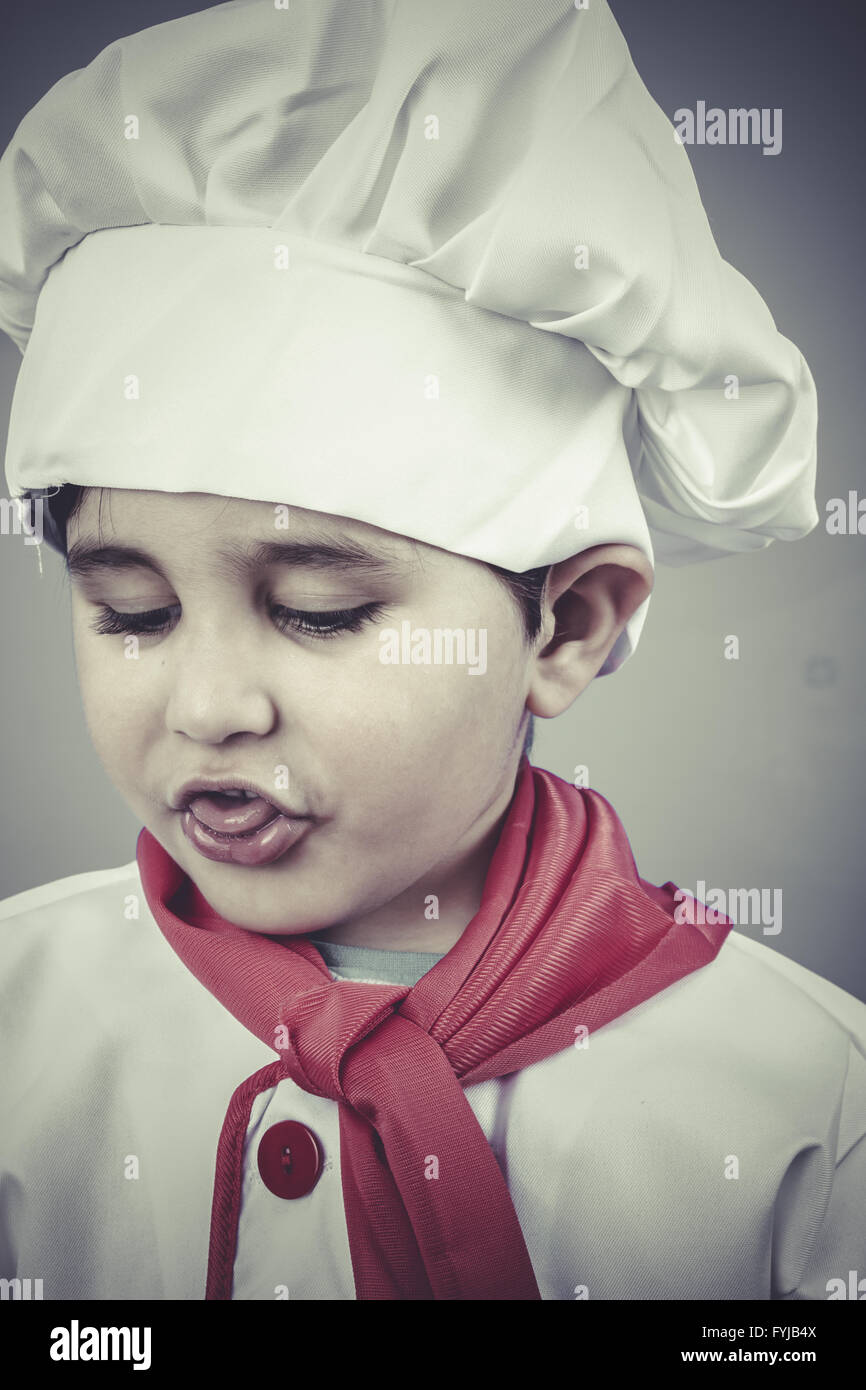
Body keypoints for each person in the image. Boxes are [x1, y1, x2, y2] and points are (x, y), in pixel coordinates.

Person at [1, 0, 863, 1302]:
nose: (208, 705)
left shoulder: (809, 1095)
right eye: (131, 609)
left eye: (320, 611)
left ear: (566, 625)